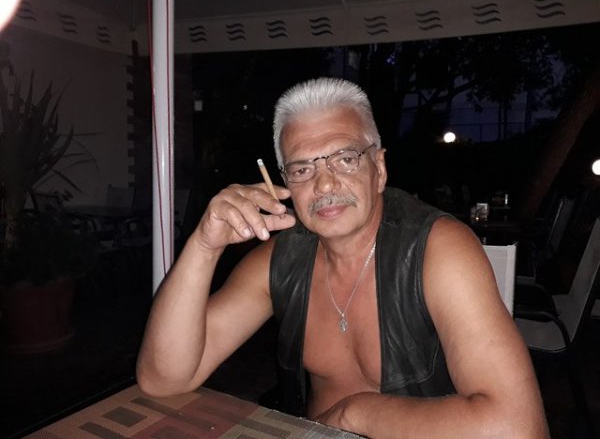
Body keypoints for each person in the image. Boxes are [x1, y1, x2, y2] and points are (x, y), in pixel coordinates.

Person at [137, 77, 549, 438]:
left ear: (379, 169)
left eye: (346, 159)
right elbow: (163, 379)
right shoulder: (281, 260)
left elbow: (518, 429)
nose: (324, 184)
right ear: (285, 183)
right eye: (303, 169)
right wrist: (204, 246)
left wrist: (355, 414)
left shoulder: (437, 250)